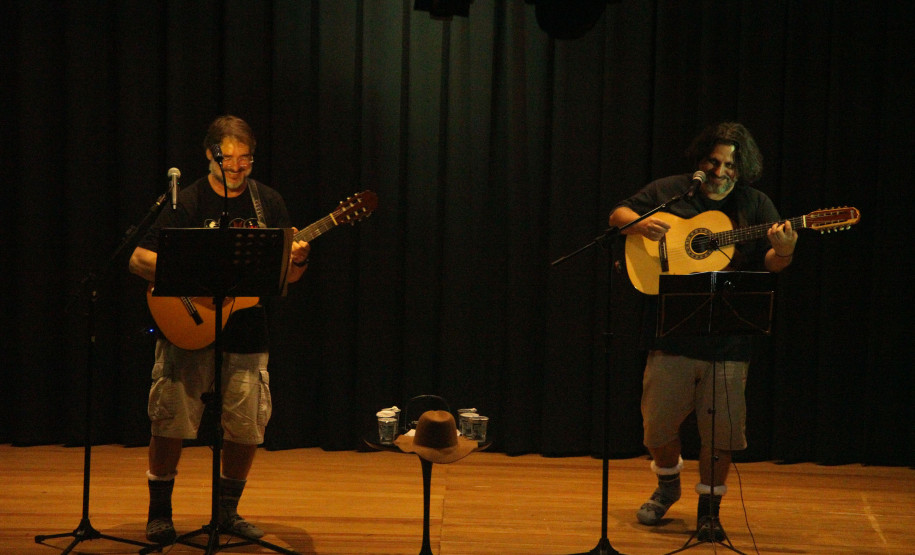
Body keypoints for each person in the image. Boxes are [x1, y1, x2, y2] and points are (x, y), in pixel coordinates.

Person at [608, 122, 797, 541]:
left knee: (721, 435)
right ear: (701, 159)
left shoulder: (755, 204)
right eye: (714, 160)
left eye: (731, 164)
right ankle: (668, 485)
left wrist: (784, 249)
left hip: (728, 342)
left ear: (742, 167)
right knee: (656, 428)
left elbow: (773, 262)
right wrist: (639, 226)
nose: (721, 170)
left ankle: (709, 510)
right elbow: (618, 214)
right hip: (670, 337)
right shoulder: (673, 190)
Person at [128, 115, 311, 544]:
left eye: (245, 159)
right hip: (186, 326)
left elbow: (289, 278)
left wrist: (298, 258)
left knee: (247, 424)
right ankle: (160, 513)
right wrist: (191, 270)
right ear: (210, 156)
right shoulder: (185, 201)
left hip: (247, 328)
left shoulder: (269, 202)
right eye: (228, 158)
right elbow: (138, 258)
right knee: (171, 417)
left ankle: (227, 512)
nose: (237, 167)